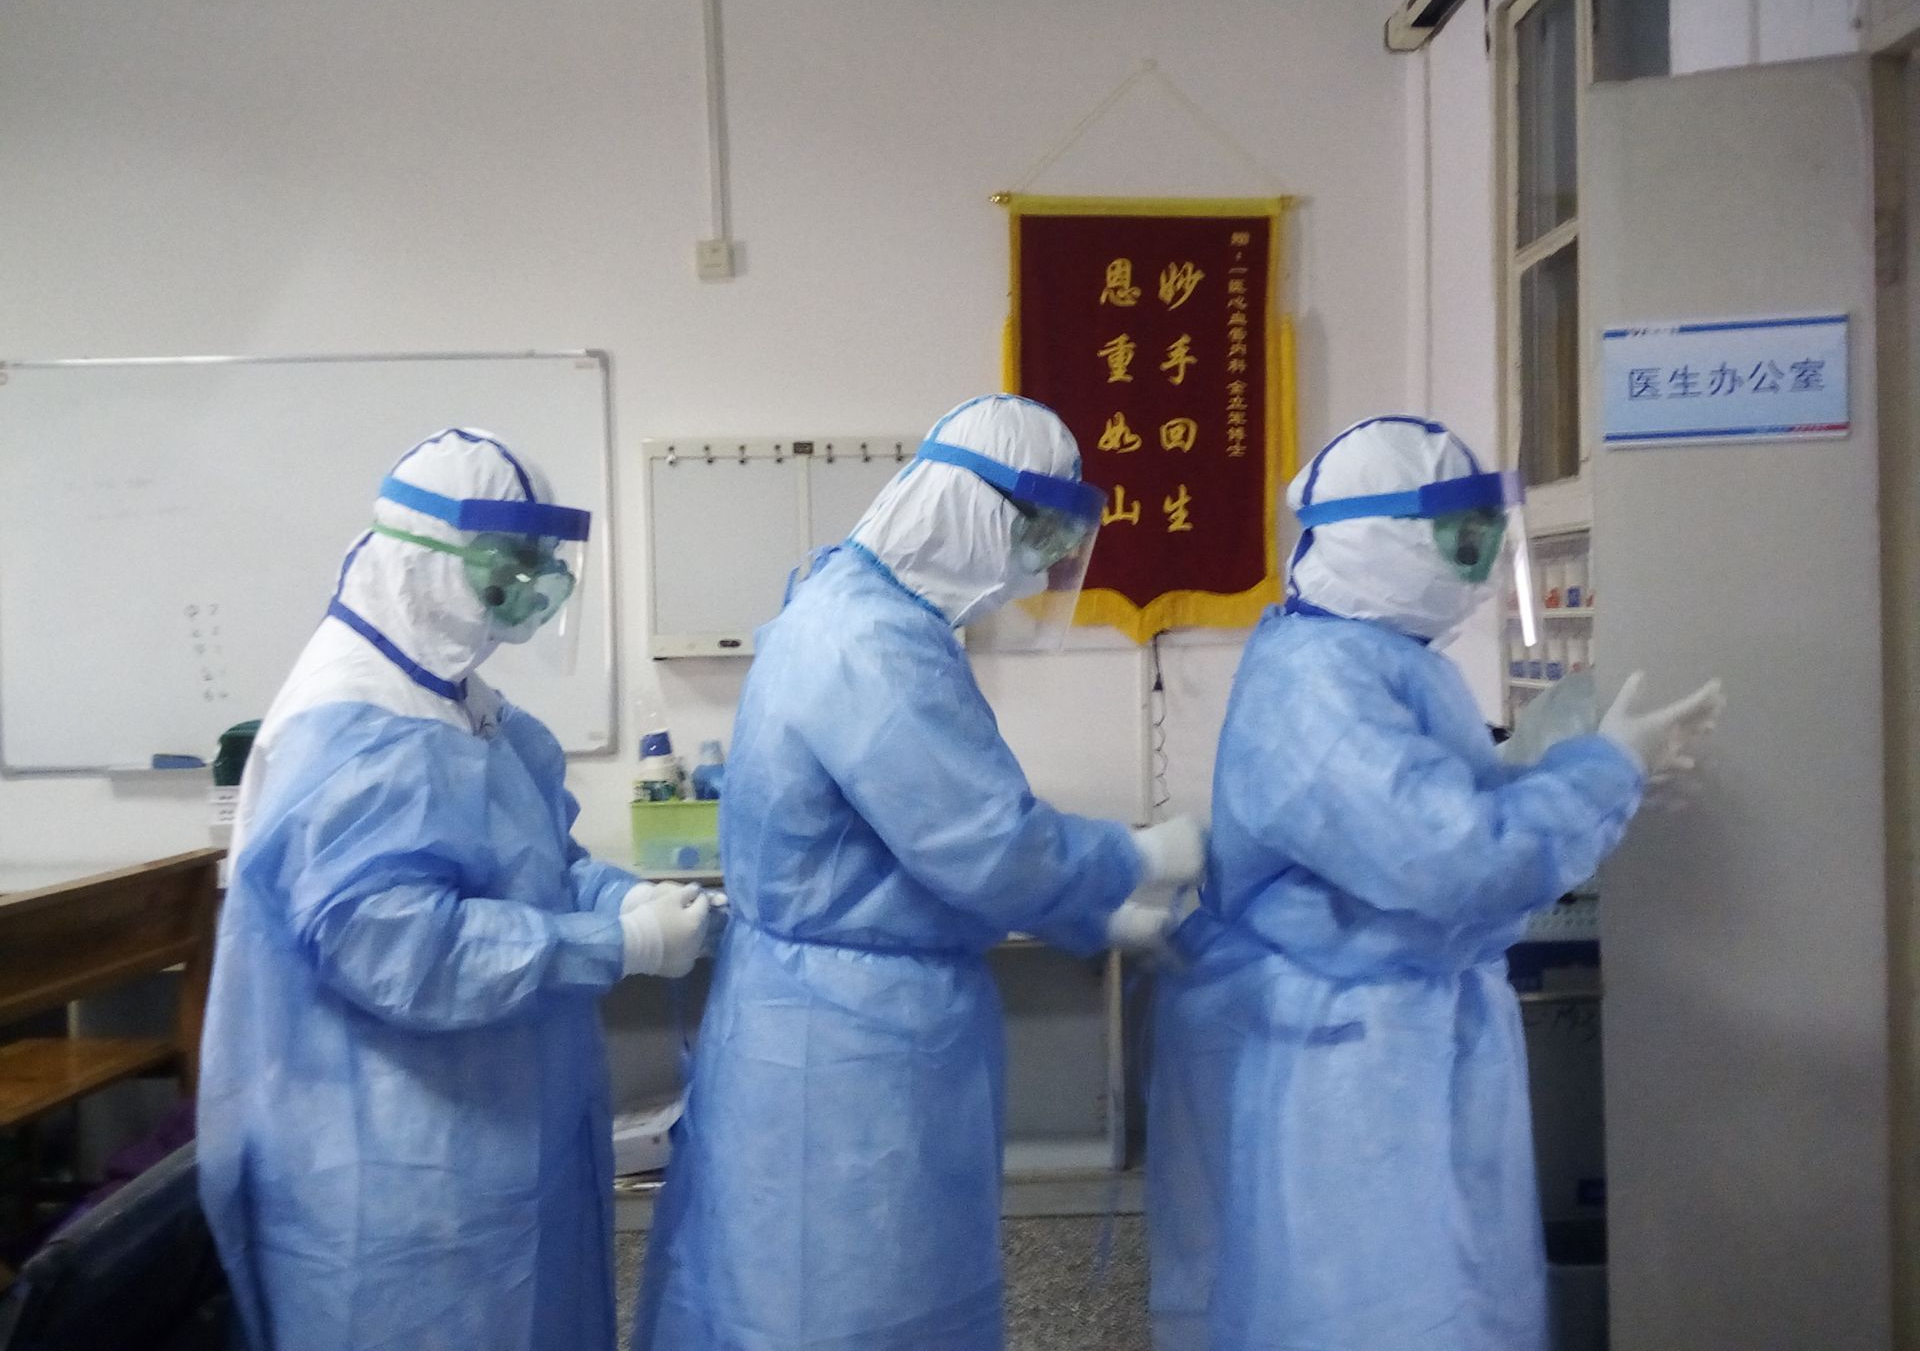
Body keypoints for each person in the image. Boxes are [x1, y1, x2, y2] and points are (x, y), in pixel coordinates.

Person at [634, 394, 1206, 1351]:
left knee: (839, 1279)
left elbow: (916, 849)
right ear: (968, 509)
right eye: (1035, 533)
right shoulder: (869, 641)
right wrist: (1133, 858)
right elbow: (985, 845)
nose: (1041, 566)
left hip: (836, 1010)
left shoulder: (857, 609)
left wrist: (1095, 915)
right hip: (847, 1042)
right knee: (848, 1296)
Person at [1146, 415, 1723, 1351]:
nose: (1482, 560)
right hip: (1342, 1055)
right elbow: (1452, 856)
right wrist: (1604, 771)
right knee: (1369, 1315)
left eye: (1488, 533)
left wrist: (1571, 769)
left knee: (1449, 1300)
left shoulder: (1382, 659)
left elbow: (1445, 810)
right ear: (1376, 538)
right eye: (1460, 536)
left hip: (1396, 1030)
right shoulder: (1316, 682)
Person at [198, 428, 715, 1351]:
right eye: (506, 565)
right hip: (396, 1166)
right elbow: (396, 945)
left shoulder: (462, 703)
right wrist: (616, 944)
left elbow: (542, 862)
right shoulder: (352, 721)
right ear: (422, 557)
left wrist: (619, 899)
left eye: (539, 563)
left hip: (492, 1132)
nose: (529, 588)